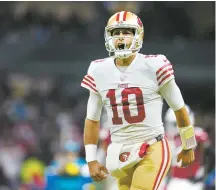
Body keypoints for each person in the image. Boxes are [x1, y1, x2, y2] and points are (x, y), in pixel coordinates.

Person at [81, 11, 196, 190]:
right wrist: (91, 159)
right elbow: (92, 120)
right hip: (120, 151)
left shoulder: (154, 65)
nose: (120, 37)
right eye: (116, 33)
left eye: (126, 32)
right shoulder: (98, 70)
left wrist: (188, 145)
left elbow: (179, 108)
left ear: (138, 35)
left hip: (151, 146)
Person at [162, 105, 209, 190]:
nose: (172, 127)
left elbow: (205, 153)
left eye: (174, 123)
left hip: (190, 182)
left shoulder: (196, 135)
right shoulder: (168, 138)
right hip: (173, 180)